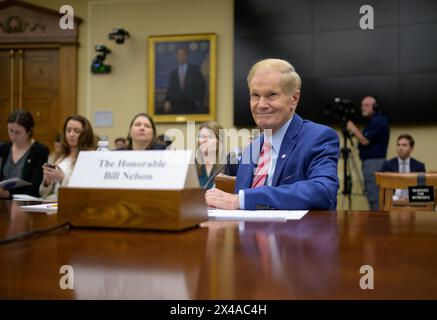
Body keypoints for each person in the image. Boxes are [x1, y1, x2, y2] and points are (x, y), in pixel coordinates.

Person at [205, 58, 339, 210]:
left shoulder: (319, 137)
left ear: (294, 98)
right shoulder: (251, 148)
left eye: (271, 95)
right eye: (255, 95)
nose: (261, 104)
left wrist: (243, 199)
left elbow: (324, 192)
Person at [347, 96, 390, 211]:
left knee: (374, 197)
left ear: (375, 106)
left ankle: (378, 226)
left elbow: (364, 140)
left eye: (366, 105)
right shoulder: (373, 121)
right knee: (372, 195)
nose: (362, 108)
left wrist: (352, 128)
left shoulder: (378, 120)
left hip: (374, 164)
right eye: (362, 105)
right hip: (371, 163)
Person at [39, 115, 96, 201]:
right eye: (68, 130)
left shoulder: (90, 157)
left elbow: (84, 192)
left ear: (85, 134)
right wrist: (47, 182)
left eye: (77, 131)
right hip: (51, 203)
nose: (71, 134)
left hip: (73, 204)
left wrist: (62, 178)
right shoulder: (55, 156)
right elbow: (42, 193)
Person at [0, 110, 49, 198]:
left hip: (26, 202)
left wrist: (7, 194)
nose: (13, 136)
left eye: (18, 132)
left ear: (29, 131)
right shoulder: (4, 148)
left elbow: (35, 187)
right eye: (10, 130)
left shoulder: (40, 151)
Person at [382, 134, 426, 201]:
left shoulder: (419, 166)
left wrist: (410, 199)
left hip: (413, 203)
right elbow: (384, 189)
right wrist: (397, 199)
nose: (400, 148)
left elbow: (422, 190)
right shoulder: (388, 165)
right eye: (398, 145)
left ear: (411, 148)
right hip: (393, 202)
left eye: (404, 145)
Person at [163, 47, 206, 114]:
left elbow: (202, 86)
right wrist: (167, 101)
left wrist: (199, 102)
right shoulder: (173, 73)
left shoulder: (195, 69)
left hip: (192, 105)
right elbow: (170, 89)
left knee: (190, 124)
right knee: (177, 123)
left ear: (187, 55)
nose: (181, 56)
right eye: (179, 54)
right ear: (177, 57)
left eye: (183, 54)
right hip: (177, 105)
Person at [196, 121, 226, 189]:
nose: (205, 140)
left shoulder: (227, 165)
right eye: (202, 136)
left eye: (210, 137)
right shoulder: (192, 164)